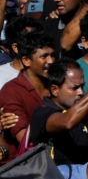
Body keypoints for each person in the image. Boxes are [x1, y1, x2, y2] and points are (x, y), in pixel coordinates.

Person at [29, 57, 88, 165]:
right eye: (75, 88)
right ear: (55, 90)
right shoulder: (42, 114)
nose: (81, 92)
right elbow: (67, 122)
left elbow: (87, 110)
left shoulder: (75, 111)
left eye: (82, 86)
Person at [0, 31, 56, 162]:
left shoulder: (55, 85)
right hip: (25, 168)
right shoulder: (11, 92)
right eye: (44, 56)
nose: (51, 61)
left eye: (53, 55)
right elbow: (26, 141)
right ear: (26, 60)